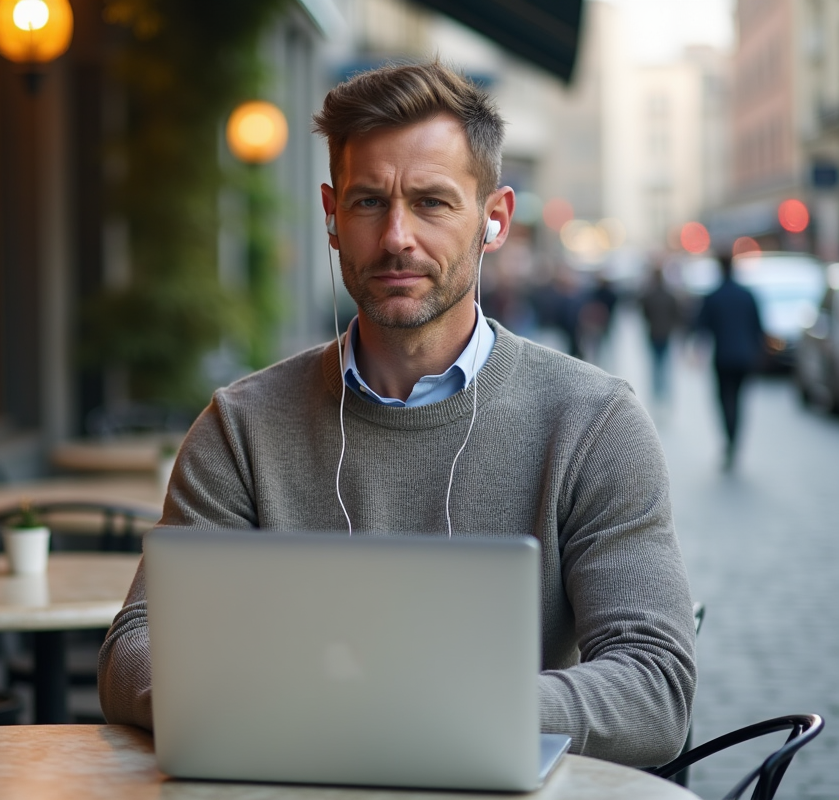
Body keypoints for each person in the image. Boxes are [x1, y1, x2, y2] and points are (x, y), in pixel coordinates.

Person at [98, 61, 696, 769]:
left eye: (432, 203)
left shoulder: (593, 423)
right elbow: (136, 645)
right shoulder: (242, 426)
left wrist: (411, 705)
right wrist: (296, 703)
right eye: (368, 203)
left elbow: (654, 688)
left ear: (494, 219)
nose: (396, 238)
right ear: (331, 215)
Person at [695, 253, 766, 469]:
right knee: (739, 400)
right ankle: (734, 440)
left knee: (725, 400)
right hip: (744, 357)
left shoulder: (713, 295)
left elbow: (701, 327)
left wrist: (696, 352)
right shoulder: (747, 295)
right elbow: (758, 328)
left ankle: (730, 440)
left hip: (723, 357)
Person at [640, 266, 681, 401]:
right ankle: (665, 390)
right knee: (665, 362)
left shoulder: (649, 295)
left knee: (655, 363)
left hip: (653, 333)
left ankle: (656, 390)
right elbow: (676, 314)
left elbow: (644, 313)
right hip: (665, 333)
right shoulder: (669, 295)